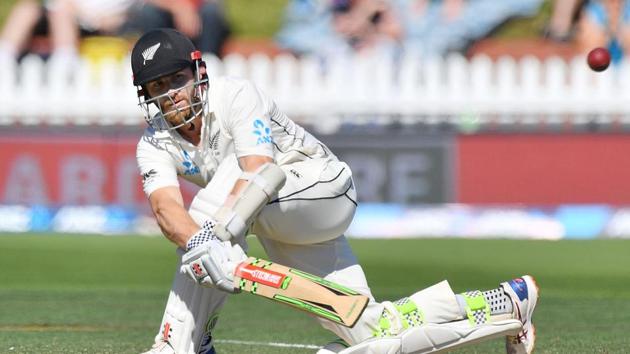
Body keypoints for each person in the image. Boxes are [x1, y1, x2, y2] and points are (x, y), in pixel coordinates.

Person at [131, 28, 539, 354]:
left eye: (176, 79)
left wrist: (212, 237)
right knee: (374, 331)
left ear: (198, 71)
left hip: (317, 187)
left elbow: (259, 171)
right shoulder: (153, 143)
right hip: (272, 221)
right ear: (145, 96)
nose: (170, 93)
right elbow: (166, 208)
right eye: (157, 86)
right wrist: (203, 243)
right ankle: (504, 305)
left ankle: (177, 344)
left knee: (208, 217)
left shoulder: (235, 94)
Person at [575, 0, 630, 65]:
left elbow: (628, 47)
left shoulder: (627, 8)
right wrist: (609, 27)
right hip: (600, 64)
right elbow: (591, 49)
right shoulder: (592, 10)